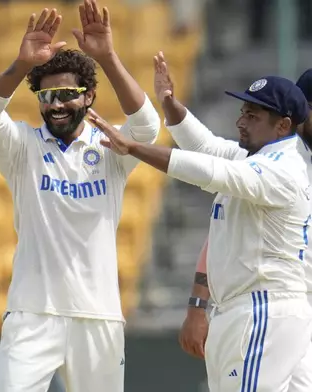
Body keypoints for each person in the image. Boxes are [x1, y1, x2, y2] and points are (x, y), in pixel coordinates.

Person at [89, 52, 312, 391]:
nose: (241, 122)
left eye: (252, 115)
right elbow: (207, 149)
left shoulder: (280, 168)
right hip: (266, 307)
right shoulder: (271, 156)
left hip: (266, 306)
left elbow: (211, 170)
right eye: (243, 113)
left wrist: (134, 148)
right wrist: (170, 105)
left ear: (283, 124)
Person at [0, 1, 161, 390]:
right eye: (46, 96)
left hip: (98, 316)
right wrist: (22, 65)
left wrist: (107, 57)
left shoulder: (113, 147)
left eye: (65, 94)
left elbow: (148, 128)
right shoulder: (22, 147)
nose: (55, 105)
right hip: (32, 313)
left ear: (88, 96)